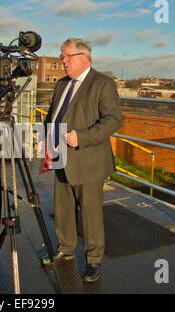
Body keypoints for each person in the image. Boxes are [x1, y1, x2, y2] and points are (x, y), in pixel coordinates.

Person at [41, 38, 122, 283]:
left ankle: (93, 260)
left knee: (90, 212)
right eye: (61, 56)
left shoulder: (103, 83)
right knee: (63, 208)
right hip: (60, 155)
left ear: (82, 56)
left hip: (88, 160)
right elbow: (53, 116)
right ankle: (65, 248)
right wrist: (47, 143)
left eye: (66, 56)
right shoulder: (61, 84)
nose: (62, 61)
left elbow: (113, 119)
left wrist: (82, 137)